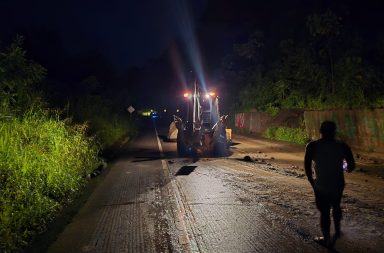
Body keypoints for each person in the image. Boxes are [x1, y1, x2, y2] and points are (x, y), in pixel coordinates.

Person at [304, 121, 355, 248]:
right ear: (334, 131)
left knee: (325, 211)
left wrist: (312, 181)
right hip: (338, 182)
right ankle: (337, 231)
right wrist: (342, 167)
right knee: (336, 205)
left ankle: (326, 238)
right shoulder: (342, 146)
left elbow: (307, 166)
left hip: (321, 183)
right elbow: (351, 166)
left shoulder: (312, 146)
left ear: (320, 131)